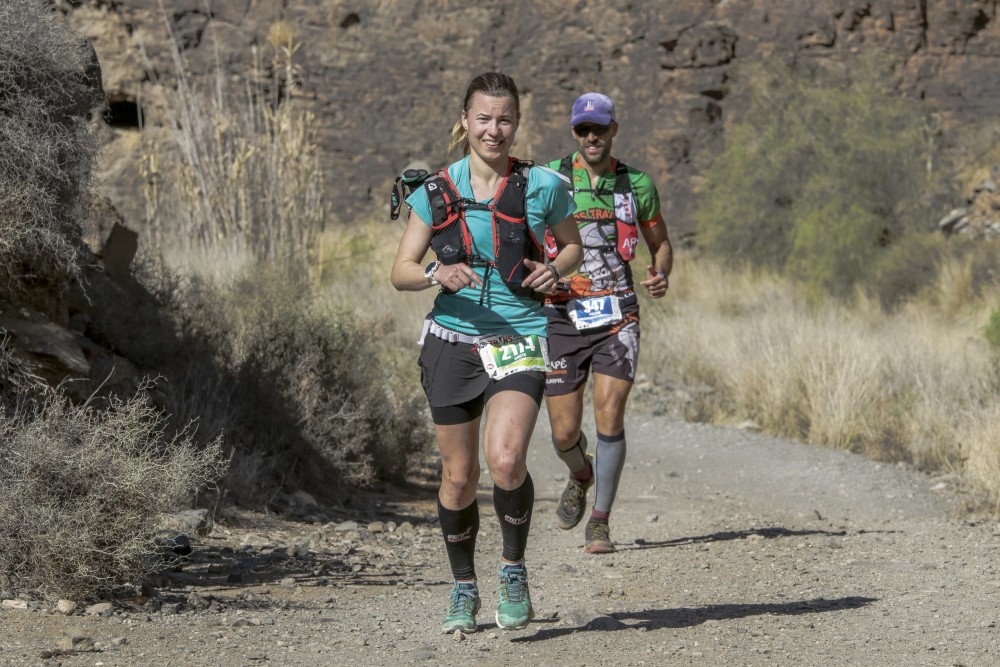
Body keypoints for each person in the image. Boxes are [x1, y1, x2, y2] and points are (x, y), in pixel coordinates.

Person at [390, 72, 582, 634]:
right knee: (458, 477)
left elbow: (572, 245)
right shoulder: (434, 191)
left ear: (516, 123)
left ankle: (513, 571)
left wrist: (555, 268)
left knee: (505, 460)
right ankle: (463, 587)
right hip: (452, 342)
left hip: (519, 335)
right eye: (483, 119)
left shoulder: (542, 185)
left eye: (504, 120)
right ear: (465, 121)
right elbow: (401, 271)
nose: (493, 130)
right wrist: (436, 272)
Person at [542, 92, 673, 554]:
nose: (591, 136)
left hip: (618, 315)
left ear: (613, 129)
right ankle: (581, 474)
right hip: (561, 315)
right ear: (573, 132)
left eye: (599, 128)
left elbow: (660, 243)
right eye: (583, 129)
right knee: (563, 433)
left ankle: (600, 522)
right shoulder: (550, 179)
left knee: (610, 412)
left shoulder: (637, 184)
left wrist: (661, 273)